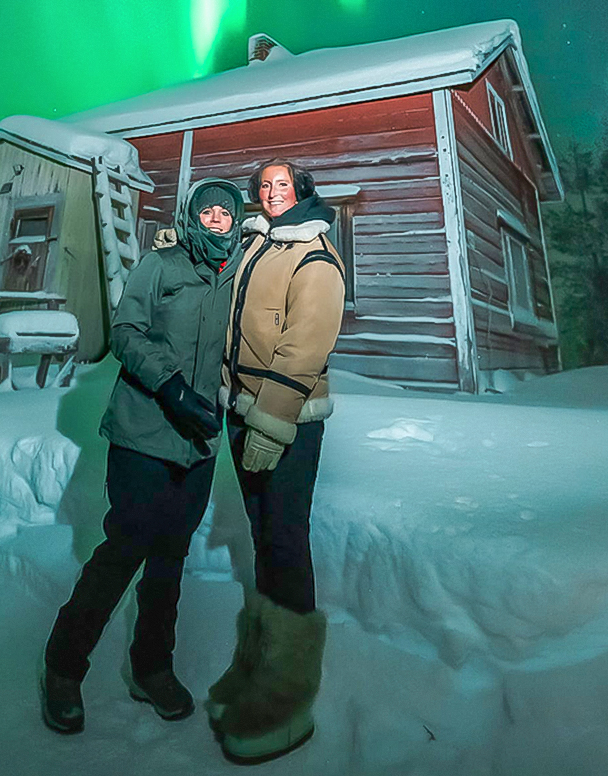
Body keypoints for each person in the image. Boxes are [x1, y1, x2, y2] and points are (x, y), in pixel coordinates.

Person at [39, 177, 245, 735]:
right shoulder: (161, 265)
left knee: (171, 557)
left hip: (199, 443)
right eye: (209, 211)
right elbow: (126, 331)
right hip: (143, 432)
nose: (219, 218)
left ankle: (151, 667)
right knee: (125, 547)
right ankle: (63, 666)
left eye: (228, 212)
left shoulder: (237, 273)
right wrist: (171, 385)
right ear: (192, 216)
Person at [207, 159, 345, 765]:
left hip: (285, 419)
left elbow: (304, 348)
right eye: (263, 186)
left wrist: (273, 420)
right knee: (264, 537)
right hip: (242, 410)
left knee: (285, 539)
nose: (270, 193)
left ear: (302, 192)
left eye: (282, 185)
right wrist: (176, 243)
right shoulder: (255, 245)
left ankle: (288, 697)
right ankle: (258, 665)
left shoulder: (315, 258)